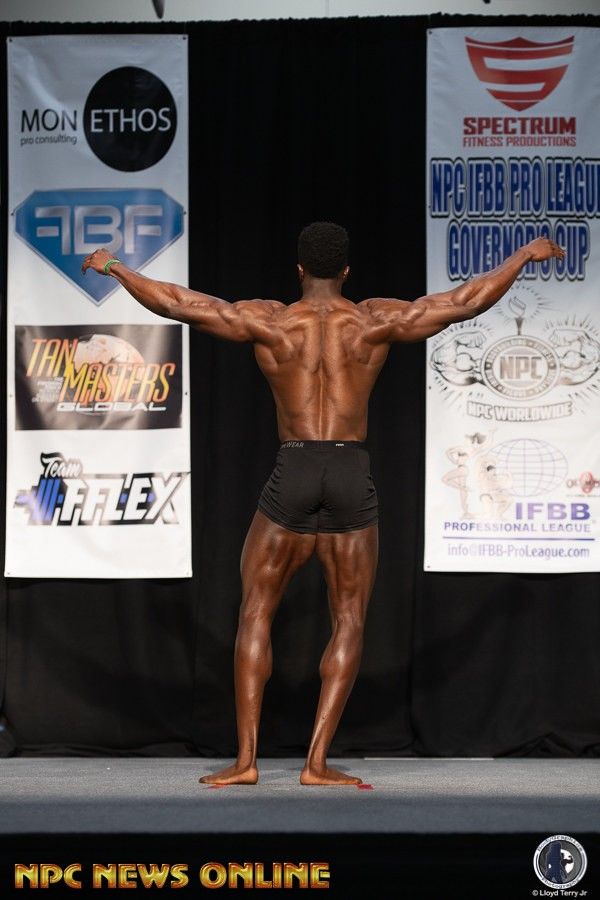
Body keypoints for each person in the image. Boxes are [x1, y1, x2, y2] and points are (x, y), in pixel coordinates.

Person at [82, 222, 564, 785]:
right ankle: (315, 763)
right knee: (349, 618)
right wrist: (522, 256)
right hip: (351, 470)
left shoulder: (270, 321)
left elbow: (179, 303)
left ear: (299, 270)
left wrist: (115, 267)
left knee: (256, 612)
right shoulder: (374, 320)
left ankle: (246, 762)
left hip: (294, 468)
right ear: (347, 272)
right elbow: (465, 303)